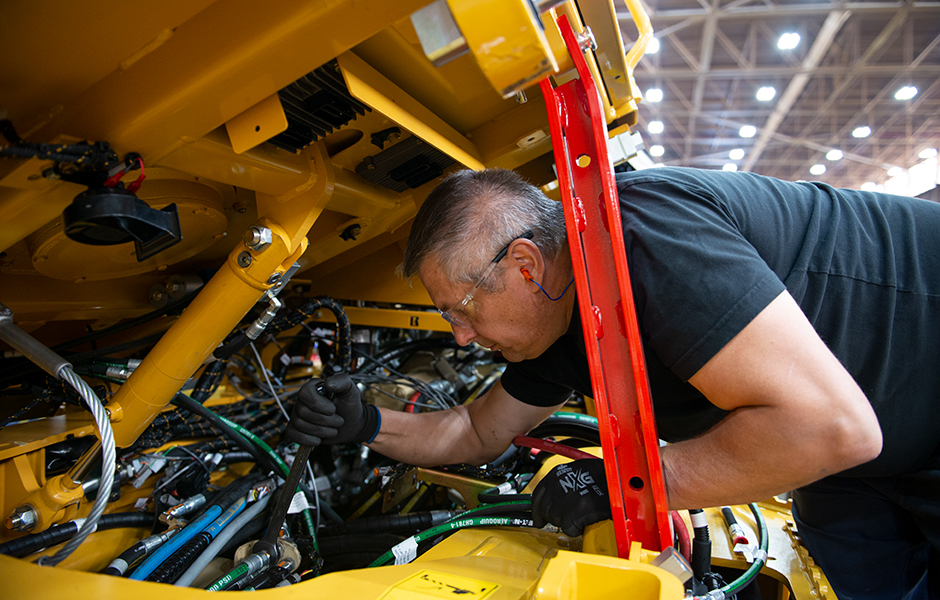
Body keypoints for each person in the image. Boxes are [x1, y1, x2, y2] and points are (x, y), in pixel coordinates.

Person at [287, 166, 940, 598]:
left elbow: (827, 427)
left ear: (523, 264)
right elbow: (475, 430)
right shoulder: (560, 317)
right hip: (868, 460)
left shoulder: (641, 237)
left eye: (462, 307)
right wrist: (365, 424)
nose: (459, 335)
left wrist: (626, 487)